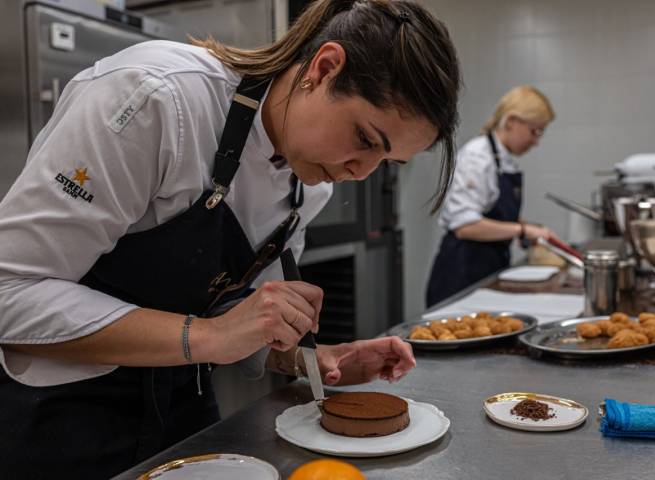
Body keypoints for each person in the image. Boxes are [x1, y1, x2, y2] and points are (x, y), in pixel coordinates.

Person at [0, 1, 460, 477]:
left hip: (184, 409)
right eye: (365, 139)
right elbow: (11, 293)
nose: (359, 174)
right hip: (59, 417)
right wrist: (208, 335)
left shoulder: (310, 185)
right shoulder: (157, 98)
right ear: (323, 69)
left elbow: (233, 315)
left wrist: (311, 359)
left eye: (386, 163)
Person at [426, 85, 555, 307]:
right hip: (462, 272)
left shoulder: (503, 160)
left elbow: (492, 213)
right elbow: (465, 226)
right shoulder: (478, 156)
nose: (536, 142)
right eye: (535, 131)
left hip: (489, 267)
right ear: (512, 121)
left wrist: (528, 228)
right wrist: (522, 230)